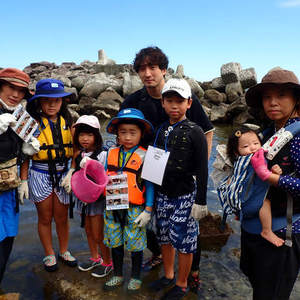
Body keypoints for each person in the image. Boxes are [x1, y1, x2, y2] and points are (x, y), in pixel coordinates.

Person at [121, 46, 213, 291]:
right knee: (158, 228)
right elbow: (123, 133)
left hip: (184, 184)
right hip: (151, 177)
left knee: (187, 233)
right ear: (163, 103)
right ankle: (167, 269)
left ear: (164, 70)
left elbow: (208, 131)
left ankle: (190, 274)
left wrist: (199, 165)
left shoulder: (189, 114)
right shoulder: (135, 101)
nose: (147, 73)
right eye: (142, 68)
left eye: (153, 67)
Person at [241, 68, 300, 299]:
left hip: (282, 232)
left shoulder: (297, 138)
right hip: (256, 228)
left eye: (281, 95)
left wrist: (273, 178)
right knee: (260, 289)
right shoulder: (268, 135)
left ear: (296, 99)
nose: (272, 102)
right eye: (267, 96)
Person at [149, 78, 208, 300]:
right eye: (169, 100)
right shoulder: (160, 129)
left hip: (185, 194)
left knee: (185, 241)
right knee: (163, 236)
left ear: (189, 104)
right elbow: (154, 162)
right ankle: (168, 274)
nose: (174, 106)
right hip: (163, 194)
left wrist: (200, 201)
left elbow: (203, 169)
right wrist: (150, 198)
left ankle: (182, 284)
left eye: (179, 101)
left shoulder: (196, 131)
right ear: (162, 103)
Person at [19, 79, 77, 272]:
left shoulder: (69, 123)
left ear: (62, 102)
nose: (52, 104)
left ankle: (64, 250)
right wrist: (24, 180)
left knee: (61, 217)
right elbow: (26, 156)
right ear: (39, 102)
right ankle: (49, 253)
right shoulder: (31, 124)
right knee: (45, 217)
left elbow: (77, 152)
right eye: (47, 100)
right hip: (39, 174)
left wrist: (72, 171)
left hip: (63, 174)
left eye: (57, 100)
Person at [103, 108, 154, 292]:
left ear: (141, 134)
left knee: (136, 245)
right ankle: (117, 274)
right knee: (115, 242)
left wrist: (148, 210)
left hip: (135, 209)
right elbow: (100, 177)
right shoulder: (109, 153)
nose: (127, 137)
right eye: (123, 132)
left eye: (133, 132)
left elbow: (150, 185)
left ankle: (136, 276)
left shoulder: (146, 155)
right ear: (117, 133)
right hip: (113, 207)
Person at [0, 68, 40, 283]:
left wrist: (24, 180)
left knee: (7, 239)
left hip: (9, 189)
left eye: (21, 91)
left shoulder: (21, 118)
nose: (15, 95)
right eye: (10, 87)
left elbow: (24, 156)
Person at [226, 126, 284, 247]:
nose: (252, 148)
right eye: (245, 146)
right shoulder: (253, 159)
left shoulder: (238, 162)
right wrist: (275, 173)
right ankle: (266, 231)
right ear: (237, 152)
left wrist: (274, 170)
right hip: (251, 205)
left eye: (256, 143)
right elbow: (263, 174)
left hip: (240, 205)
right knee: (266, 202)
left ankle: (238, 214)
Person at [71, 115, 113, 277]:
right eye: (81, 135)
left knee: (98, 233)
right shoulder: (79, 154)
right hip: (82, 200)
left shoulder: (103, 155)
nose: (85, 139)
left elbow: (105, 176)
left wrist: (90, 164)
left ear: (97, 136)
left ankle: (108, 262)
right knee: (87, 230)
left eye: (89, 135)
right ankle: (95, 257)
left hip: (97, 200)